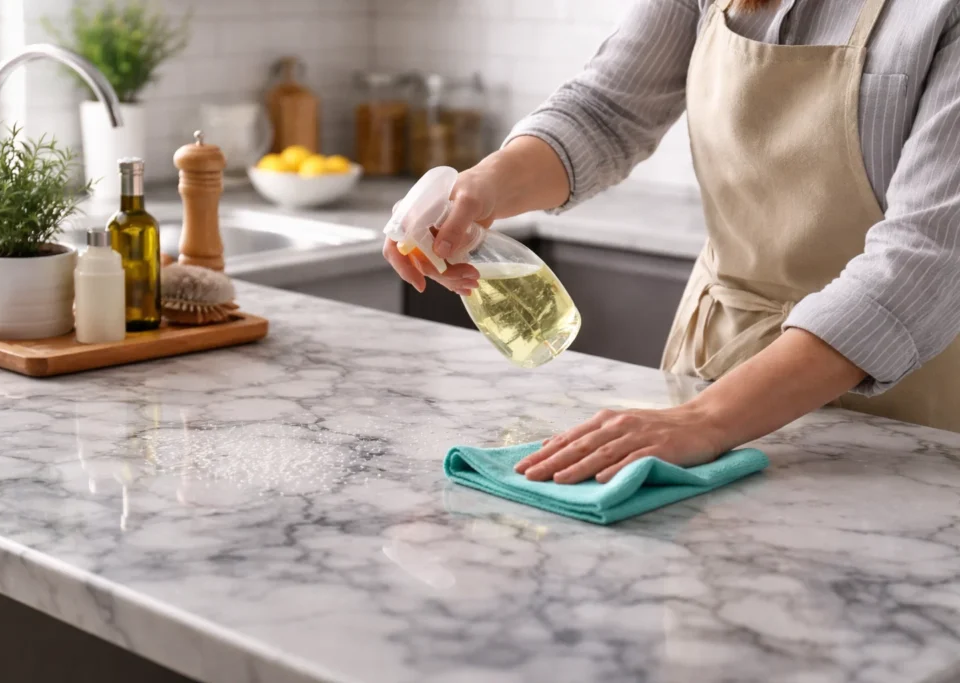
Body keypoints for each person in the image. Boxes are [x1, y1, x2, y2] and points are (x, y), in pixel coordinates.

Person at [383, 0, 960, 484]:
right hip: (714, 369)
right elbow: (606, 112)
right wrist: (483, 187)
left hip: (904, 416)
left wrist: (707, 420)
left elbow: (925, 259)